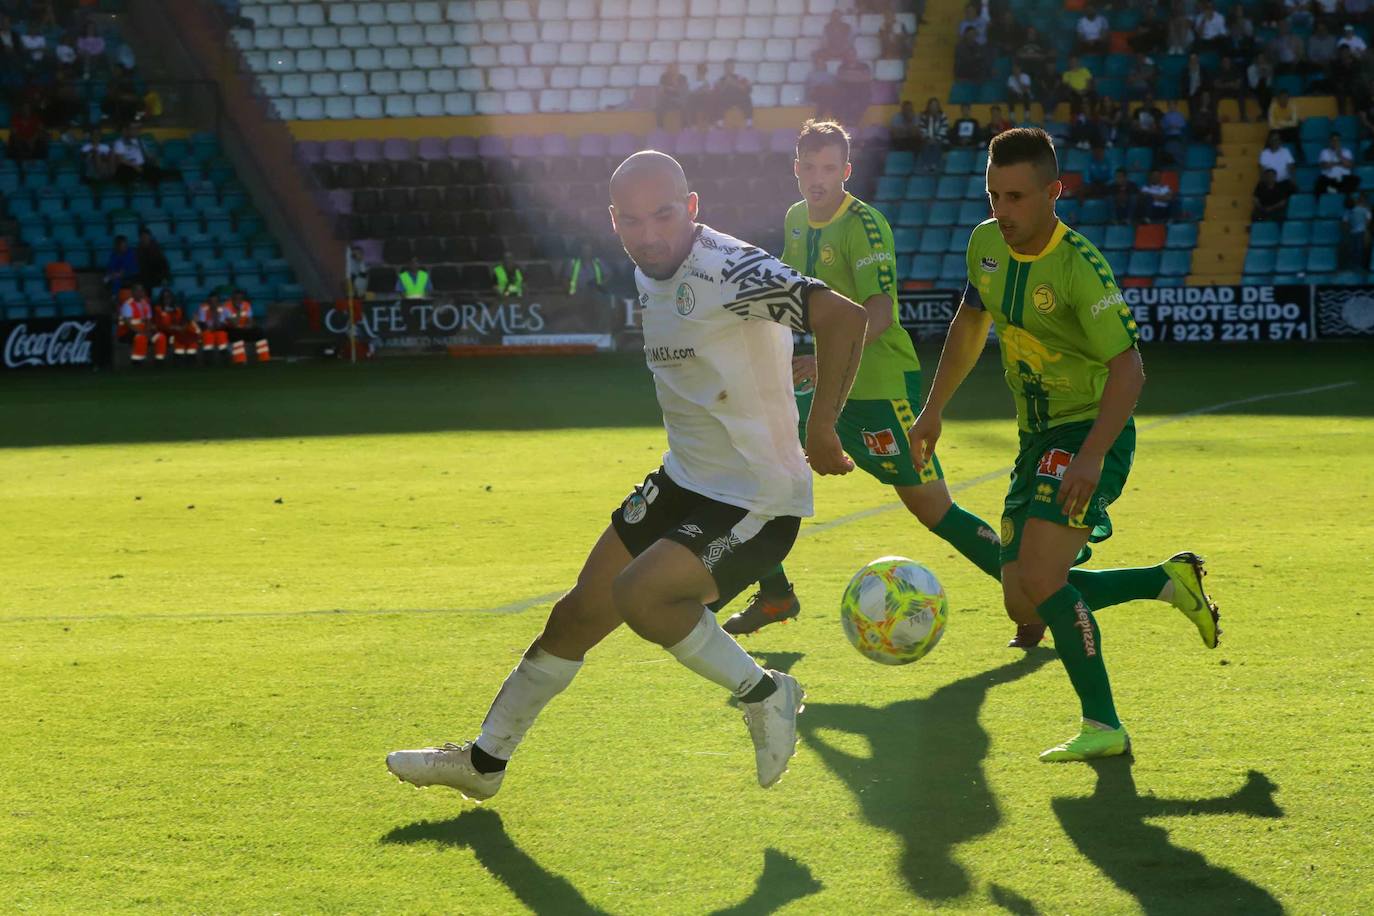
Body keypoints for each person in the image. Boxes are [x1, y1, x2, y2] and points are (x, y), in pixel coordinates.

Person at [384, 150, 870, 800]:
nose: (649, 234)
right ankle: (484, 763)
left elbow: (844, 316)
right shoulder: (648, 268)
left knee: (642, 595)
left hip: (757, 496)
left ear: (691, 208)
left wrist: (822, 426)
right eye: (633, 221)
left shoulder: (729, 265)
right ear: (614, 222)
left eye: (664, 216)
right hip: (682, 482)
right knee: (575, 616)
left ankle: (767, 693)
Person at [909, 127, 1220, 762]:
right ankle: (1164, 581)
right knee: (1021, 595)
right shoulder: (985, 245)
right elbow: (970, 324)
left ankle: (1103, 725)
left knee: (1046, 575)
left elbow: (1129, 367)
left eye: (1017, 197)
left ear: (1055, 192)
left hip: (1086, 429)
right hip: (1037, 437)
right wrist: (932, 411)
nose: (1003, 211)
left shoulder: (1079, 267)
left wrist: (1094, 453)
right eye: (994, 195)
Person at [725, 120, 1016, 642]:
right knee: (751, 466)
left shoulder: (864, 224)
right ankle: (775, 595)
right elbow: (793, 299)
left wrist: (822, 359)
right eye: (809, 168)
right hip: (823, 382)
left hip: (880, 387)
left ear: (846, 171)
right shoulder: (796, 220)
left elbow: (878, 311)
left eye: (829, 169)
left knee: (933, 509)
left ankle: (1030, 592)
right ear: (795, 170)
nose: (818, 178)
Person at [153, 289, 199, 365]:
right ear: (162, 299)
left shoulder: (178, 309)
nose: (167, 299)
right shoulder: (158, 309)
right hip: (165, 332)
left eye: (169, 297)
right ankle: (178, 357)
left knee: (191, 330)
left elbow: (184, 320)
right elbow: (158, 324)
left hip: (178, 330)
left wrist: (183, 326)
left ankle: (191, 355)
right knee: (176, 335)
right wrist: (172, 327)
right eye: (165, 297)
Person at [226, 288, 271, 364]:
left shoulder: (246, 305)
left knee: (259, 331)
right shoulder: (227, 306)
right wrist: (239, 310)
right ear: (232, 299)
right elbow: (234, 323)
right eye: (236, 298)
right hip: (231, 330)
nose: (239, 300)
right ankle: (239, 360)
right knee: (237, 333)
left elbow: (250, 320)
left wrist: (248, 325)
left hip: (244, 329)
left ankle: (264, 358)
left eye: (240, 298)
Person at [833, 50, 873, 126]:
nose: (851, 57)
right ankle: (848, 122)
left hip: (861, 90)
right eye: (849, 55)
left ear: (856, 55)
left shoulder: (864, 66)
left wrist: (849, 75)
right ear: (846, 56)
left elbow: (867, 78)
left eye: (852, 55)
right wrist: (858, 75)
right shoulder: (842, 66)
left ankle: (853, 121)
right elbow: (841, 77)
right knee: (841, 99)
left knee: (863, 99)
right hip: (847, 91)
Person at [117, 284, 153, 365]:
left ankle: (159, 361)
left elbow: (148, 321)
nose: (140, 293)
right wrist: (143, 332)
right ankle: (137, 361)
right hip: (126, 332)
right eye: (138, 291)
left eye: (141, 291)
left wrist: (148, 331)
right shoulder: (127, 305)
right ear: (132, 292)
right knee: (141, 337)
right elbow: (128, 324)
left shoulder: (146, 304)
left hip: (143, 330)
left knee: (160, 337)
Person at [714, 60, 753, 125]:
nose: (729, 69)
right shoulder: (720, 79)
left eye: (731, 66)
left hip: (739, 99)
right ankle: (719, 123)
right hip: (726, 100)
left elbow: (748, 89)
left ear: (733, 68)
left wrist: (734, 83)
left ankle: (749, 122)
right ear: (724, 68)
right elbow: (717, 92)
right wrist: (725, 84)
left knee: (747, 98)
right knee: (717, 100)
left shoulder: (740, 77)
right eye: (727, 67)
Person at [917, 97, 949, 173]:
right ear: (928, 107)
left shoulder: (943, 116)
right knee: (925, 144)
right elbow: (922, 129)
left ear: (938, 107)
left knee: (938, 144)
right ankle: (925, 164)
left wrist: (936, 139)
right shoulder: (924, 116)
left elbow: (944, 129)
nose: (933, 107)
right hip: (927, 139)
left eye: (935, 106)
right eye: (932, 105)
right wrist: (928, 138)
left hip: (940, 139)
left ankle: (934, 164)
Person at [197, 292, 231, 362]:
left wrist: (217, 314)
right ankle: (208, 360)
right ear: (208, 302)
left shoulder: (224, 309)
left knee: (222, 335)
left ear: (218, 301)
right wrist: (210, 328)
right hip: (208, 329)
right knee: (207, 335)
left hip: (220, 329)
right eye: (211, 301)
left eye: (215, 301)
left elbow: (227, 322)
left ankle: (225, 359)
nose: (213, 303)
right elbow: (202, 323)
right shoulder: (203, 308)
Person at [1341, 190, 1372, 269]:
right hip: (1354, 233)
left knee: (1359, 249)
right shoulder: (1348, 211)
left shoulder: (1363, 209)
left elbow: (1369, 219)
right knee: (1354, 250)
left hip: (1361, 232)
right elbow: (1345, 222)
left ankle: (1359, 266)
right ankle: (1354, 266)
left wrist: (1366, 230)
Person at [135, 226, 170, 293]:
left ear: (149, 237)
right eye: (142, 237)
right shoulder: (137, 251)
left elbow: (164, 265)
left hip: (157, 279)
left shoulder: (157, 250)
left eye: (146, 237)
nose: (144, 239)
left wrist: (164, 278)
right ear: (140, 238)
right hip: (143, 281)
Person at [656, 63, 688, 129]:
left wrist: (671, 87)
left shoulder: (683, 77)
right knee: (659, 106)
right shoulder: (664, 76)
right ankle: (660, 127)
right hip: (667, 99)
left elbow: (682, 91)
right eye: (671, 68)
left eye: (676, 68)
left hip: (678, 99)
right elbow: (661, 90)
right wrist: (671, 89)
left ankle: (684, 127)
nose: (674, 70)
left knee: (685, 105)